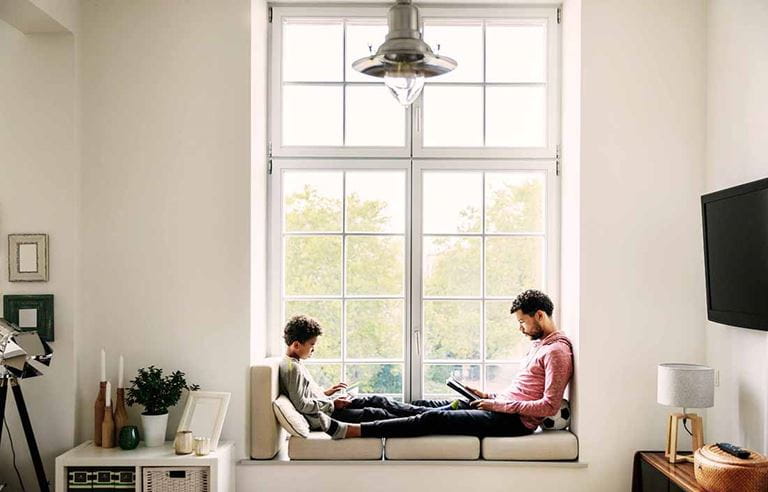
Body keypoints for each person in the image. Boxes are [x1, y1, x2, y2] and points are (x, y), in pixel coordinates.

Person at [336, 289, 573, 439]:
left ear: (539, 315)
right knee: (422, 405)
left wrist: (498, 406)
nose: (520, 328)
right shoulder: (539, 346)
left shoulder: (557, 352)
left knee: (433, 418)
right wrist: (488, 395)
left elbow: (549, 406)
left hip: (513, 422)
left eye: (522, 322)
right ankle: (345, 409)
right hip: (500, 408)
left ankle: (357, 431)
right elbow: (523, 392)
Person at [279, 315, 441, 439]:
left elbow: (306, 395)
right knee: (376, 413)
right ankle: (426, 419)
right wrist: (332, 404)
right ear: (296, 345)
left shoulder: (296, 362)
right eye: (312, 345)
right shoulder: (292, 368)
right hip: (327, 416)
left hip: (328, 407)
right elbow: (301, 405)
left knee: (378, 400)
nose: (313, 349)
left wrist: (328, 392)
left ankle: (429, 413)